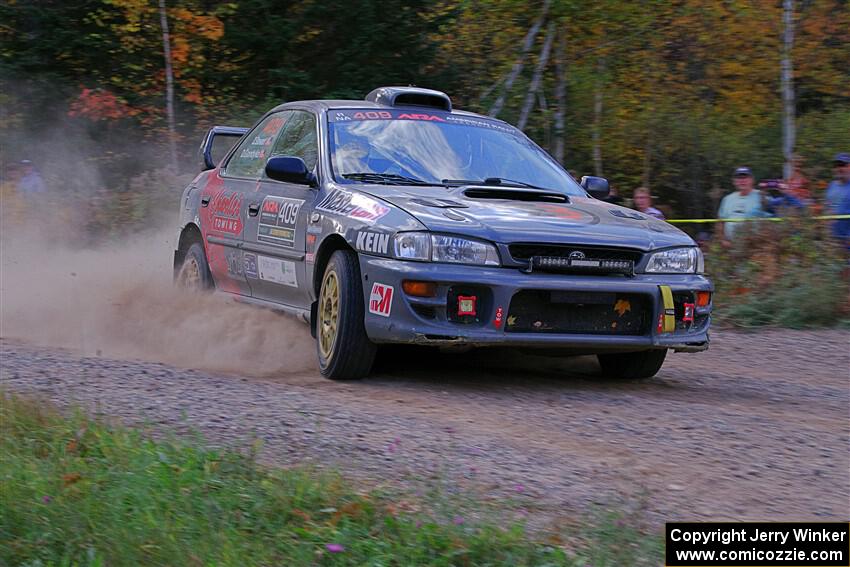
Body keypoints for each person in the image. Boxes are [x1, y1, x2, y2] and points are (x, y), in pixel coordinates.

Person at [716, 166, 765, 246]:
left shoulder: (762, 196)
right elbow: (720, 222)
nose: (742, 181)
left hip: (756, 247)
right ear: (734, 181)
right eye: (739, 178)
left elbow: (773, 217)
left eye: (745, 177)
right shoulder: (727, 199)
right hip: (730, 247)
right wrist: (722, 240)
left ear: (752, 180)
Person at [825, 153, 850, 247]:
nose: (838, 169)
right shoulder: (832, 185)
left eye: (842, 165)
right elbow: (828, 206)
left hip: (847, 239)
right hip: (832, 238)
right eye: (836, 166)